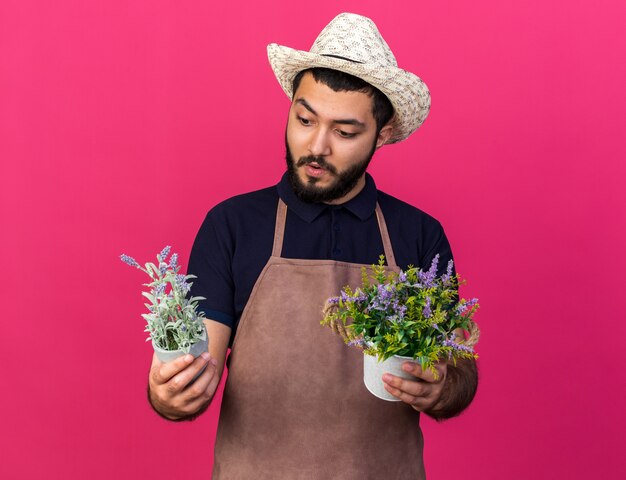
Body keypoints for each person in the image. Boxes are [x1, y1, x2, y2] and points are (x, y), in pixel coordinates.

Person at [147, 13, 478, 479]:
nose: (316, 146)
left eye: (344, 133)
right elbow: (195, 367)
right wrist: (171, 393)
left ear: (381, 135)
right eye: (304, 119)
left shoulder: (419, 234)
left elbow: (459, 371)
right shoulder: (232, 225)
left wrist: (443, 387)